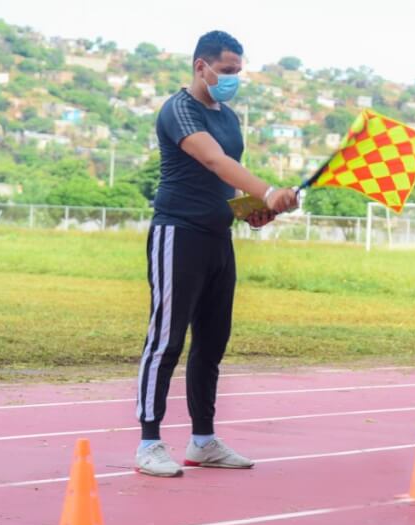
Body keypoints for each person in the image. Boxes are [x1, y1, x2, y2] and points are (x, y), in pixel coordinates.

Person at [134, 30, 298, 477]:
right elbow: (211, 161)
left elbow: (225, 182)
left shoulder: (229, 117)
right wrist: (267, 190)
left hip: (217, 238)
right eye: (226, 71)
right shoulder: (179, 111)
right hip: (177, 234)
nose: (232, 80)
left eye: (238, 73)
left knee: (212, 342)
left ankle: (202, 440)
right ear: (200, 67)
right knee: (166, 339)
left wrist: (253, 210)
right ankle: (149, 441)